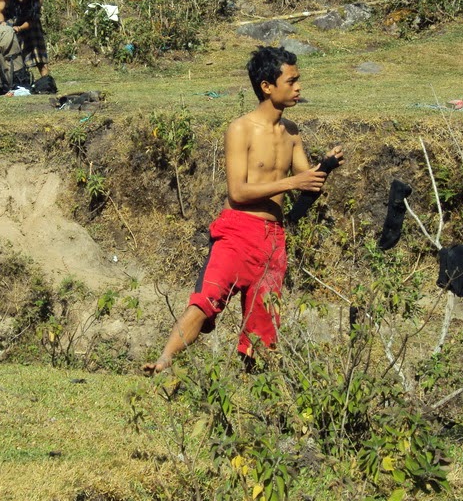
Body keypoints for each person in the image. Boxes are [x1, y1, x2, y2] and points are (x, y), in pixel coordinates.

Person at [143, 46, 344, 374]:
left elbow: (308, 188)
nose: (298, 88)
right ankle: (164, 360)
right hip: (238, 231)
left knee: (263, 329)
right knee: (206, 301)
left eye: (298, 81)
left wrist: (327, 167)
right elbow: (239, 191)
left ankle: (253, 392)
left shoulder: (292, 133)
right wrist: (294, 183)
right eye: (291, 81)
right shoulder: (241, 129)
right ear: (267, 86)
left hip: (273, 241)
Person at [0, 0, 49, 78]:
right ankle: (13, 79)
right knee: (10, 50)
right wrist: (3, 24)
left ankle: (46, 80)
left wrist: (20, 28)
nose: (22, 0)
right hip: (8, 16)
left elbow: (32, 20)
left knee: (38, 49)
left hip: (27, 16)